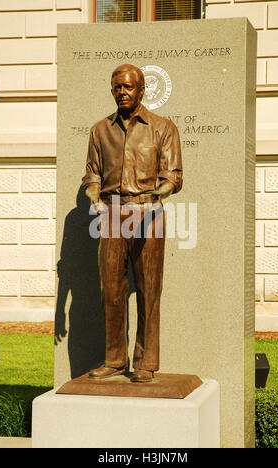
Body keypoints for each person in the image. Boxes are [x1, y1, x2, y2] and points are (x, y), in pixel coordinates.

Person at [82, 64, 182, 383]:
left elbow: (173, 176)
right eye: (116, 87)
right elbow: (92, 175)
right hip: (112, 215)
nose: (121, 92)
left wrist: (156, 195)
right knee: (110, 289)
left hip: (148, 213)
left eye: (127, 87)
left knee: (149, 290)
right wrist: (94, 197)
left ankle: (146, 362)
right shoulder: (100, 130)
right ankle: (114, 359)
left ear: (141, 90)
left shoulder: (162, 128)